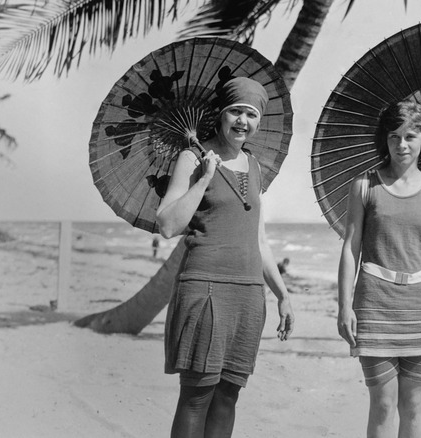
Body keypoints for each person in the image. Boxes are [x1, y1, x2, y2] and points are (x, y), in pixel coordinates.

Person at [156, 76, 294, 438]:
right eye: (235, 111)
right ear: (220, 114)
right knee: (197, 395)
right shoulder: (192, 157)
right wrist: (204, 179)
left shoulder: (255, 166)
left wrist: (282, 295)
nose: (242, 121)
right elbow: (168, 225)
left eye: (251, 114)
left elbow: (259, 240)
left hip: (248, 293)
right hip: (206, 288)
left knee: (228, 395)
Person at [337, 99, 421, 438]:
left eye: (410, 136)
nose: (402, 145)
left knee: (414, 404)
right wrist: (343, 306)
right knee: (384, 404)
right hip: (375, 305)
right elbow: (350, 248)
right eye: (394, 136)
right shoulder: (364, 186)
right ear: (384, 139)